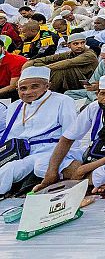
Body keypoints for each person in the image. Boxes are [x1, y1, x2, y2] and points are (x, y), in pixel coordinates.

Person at [34, 72, 105, 194]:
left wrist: (83, 169)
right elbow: (67, 139)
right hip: (97, 151)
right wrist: (52, 171)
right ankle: (89, 179)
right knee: (41, 164)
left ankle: (86, 177)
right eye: (103, 93)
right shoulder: (94, 107)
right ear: (97, 93)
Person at [0, 66, 80, 195]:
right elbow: (10, 138)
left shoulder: (63, 101)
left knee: (41, 167)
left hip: (52, 150)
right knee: (8, 170)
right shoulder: (14, 107)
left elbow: (72, 135)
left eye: (34, 86)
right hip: (24, 153)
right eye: (23, 88)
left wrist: (71, 157)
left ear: (47, 86)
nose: (28, 92)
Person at [21, 31, 98, 93]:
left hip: (87, 83)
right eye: (76, 44)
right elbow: (50, 58)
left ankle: (47, 92)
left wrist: (43, 69)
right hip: (73, 80)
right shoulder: (70, 53)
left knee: (61, 69)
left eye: (82, 43)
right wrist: (31, 62)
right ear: (68, 46)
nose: (80, 46)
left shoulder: (89, 54)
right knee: (39, 64)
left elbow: (68, 63)